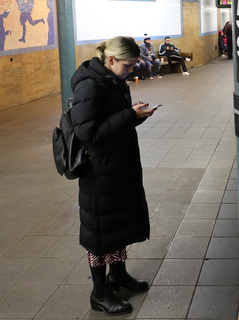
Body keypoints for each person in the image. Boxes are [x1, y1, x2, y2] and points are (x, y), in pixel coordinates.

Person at [69, 36, 156, 316]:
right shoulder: (89, 86)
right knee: (98, 234)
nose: (131, 70)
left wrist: (135, 116)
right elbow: (88, 134)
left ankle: (118, 277)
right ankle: (99, 292)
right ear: (110, 60)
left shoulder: (114, 81)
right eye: (128, 65)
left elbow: (113, 123)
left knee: (117, 226)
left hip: (118, 167)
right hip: (100, 173)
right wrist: (129, 116)